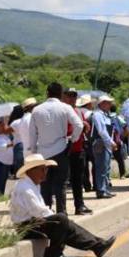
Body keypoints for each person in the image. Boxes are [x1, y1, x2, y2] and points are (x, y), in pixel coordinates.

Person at [9, 154, 115, 257]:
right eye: (42, 169)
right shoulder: (25, 188)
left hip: (33, 221)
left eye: (46, 169)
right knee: (62, 220)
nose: (45, 172)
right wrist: (59, 219)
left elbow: (40, 212)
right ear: (31, 171)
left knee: (64, 223)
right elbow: (38, 211)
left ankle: (98, 246)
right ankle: (53, 255)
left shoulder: (32, 184)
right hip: (26, 227)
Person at [29, 83, 84, 214]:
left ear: (47, 93)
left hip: (43, 152)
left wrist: (33, 151)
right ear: (60, 94)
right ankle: (62, 214)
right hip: (61, 150)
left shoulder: (37, 110)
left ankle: (46, 214)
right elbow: (79, 125)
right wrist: (72, 139)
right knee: (61, 184)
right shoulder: (65, 108)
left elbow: (32, 134)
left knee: (45, 184)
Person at [61, 89, 92, 215]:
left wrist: (85, 126)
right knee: (62, 180)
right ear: (64, 97)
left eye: (74, 96)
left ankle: (79, 205)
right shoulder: (62, 112)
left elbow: (85, 130)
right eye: (69, 96)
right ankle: (62, 209)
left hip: (78, 149)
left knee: (78, 179)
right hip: (64, 149)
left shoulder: (79, 111)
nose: (72, 98)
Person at [90, 96, 118, 199]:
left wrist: (111, 142)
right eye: (107, 102)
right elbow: (102, 131)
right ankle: (101, 190)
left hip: (106, 144)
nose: (110, 105)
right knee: (101, 168)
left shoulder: (106, 115)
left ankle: (105, 189)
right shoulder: (97, 115)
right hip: (101, 143)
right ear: (101, 103)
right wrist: (111, 142)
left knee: (106, 168)